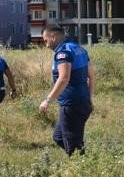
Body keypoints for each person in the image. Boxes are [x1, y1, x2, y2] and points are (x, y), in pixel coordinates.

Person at [39, 25, 94, 156]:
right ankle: (84, 160)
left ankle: (81, 168)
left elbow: (64, 78)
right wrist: (89, 98)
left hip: (72, 104)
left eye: (46, 41)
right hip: (82, 102)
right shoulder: (79, 48)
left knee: (73, 145)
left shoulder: (63, 52)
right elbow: (91, 76)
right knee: (59, 137)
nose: (46, 45)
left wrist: (47, 100)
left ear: (53, 37)